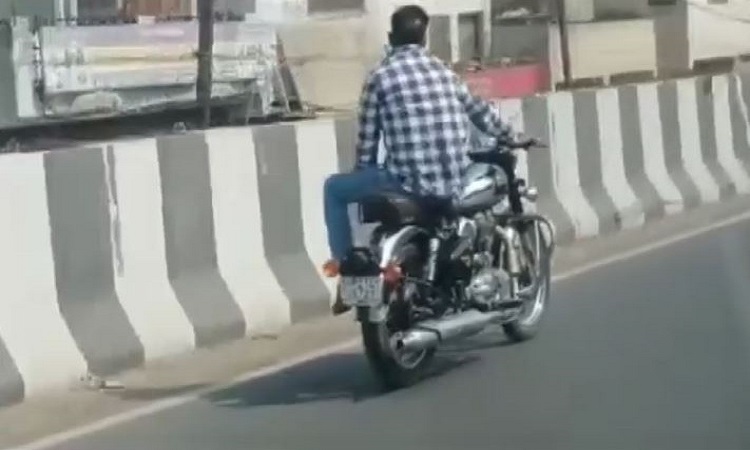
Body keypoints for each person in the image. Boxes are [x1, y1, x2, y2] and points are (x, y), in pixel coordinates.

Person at [322, 4, 514, 314]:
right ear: (424, 39)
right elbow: (478, 112)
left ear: (391, 37)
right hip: (452, 182)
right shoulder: (444, 71)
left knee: (334, 189)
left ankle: (348, 275)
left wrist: (366, 176)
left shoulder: (379, 77)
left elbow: (367, 144)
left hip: (405, 184)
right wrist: (508, 135)